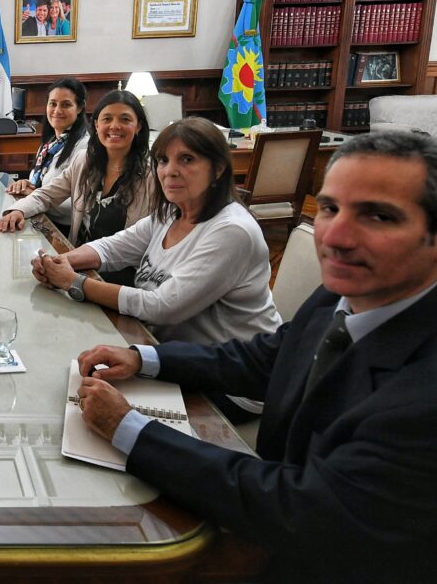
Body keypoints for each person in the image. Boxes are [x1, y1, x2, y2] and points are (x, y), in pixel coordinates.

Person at [72, 131, 437, 582]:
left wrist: (129, 428)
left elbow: (298, 507)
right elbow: (260, 359)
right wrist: (144, 358)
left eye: (379, 216)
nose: (337, 236)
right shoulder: (337, 299)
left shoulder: (422, 398)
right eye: (329, 208)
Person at [34, 117, 281, 421]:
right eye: (163, 160)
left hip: (230, 387)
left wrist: (74, 283)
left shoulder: (232, 231)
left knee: (85, 405)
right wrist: (62, 262)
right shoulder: (172, 212)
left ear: (218, 169)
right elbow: (113, 246)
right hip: (171, 356)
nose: (170, 170)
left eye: (186, 159)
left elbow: (162, 307)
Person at [0, 90, 153, 284]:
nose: (115, 126)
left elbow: (140, 243)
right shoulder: (85, 160)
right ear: (96, 124)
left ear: (138, 125)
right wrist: (18, 210)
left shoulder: (151, 175)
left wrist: (68, 265)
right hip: (78, 259)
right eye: (107, 119)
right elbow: (47, 194)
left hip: (121, 271)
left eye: (125, 119)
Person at [0, 77, 93, 237]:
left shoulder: (84, 149)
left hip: (61, 230)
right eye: (53, 103)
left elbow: (79, 205)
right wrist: (26, 183)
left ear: (80, 108)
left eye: (66, 104)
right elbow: (42, 183)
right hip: (40, 218)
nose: (57, 110)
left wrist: (35, 194)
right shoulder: (50, 143)